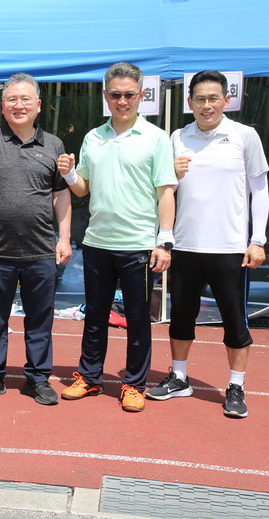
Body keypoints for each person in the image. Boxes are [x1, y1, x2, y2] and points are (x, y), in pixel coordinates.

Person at [145, 70, 269, 418]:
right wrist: (165, 237)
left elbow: (260, 191)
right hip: (185, 246)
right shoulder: (178, 137)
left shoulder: (245, 136)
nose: (207, 105)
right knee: (181, 317)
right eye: (200, 99)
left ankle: (236, 386)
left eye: (214, 98)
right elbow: (165, 188)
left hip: (230, 248)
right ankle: (179, 377)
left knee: (234, 321)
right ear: (189, 103)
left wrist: (257, 240)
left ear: (226, 100)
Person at [56, 62, 177, 413]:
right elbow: (82, 189)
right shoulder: (93, 137)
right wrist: (68, 174)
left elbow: (165, 192)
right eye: (115, 94)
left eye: (129, 94)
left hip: (139, 245)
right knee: (95, 314)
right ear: (105, 96)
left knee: (138, 318)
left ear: (141, 96)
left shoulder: (156, 138)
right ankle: (90, 377)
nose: (122, 101)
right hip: (97, 243)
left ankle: (135, 384)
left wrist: (164, 240)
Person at [0, 73, 72, 406]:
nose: (19, 105)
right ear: (2, 105)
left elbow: (61, 195)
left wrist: (64, 238)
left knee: (40, 320)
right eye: (12, 100)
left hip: (40, 250)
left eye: (26, 99)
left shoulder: (54, 144)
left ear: (38, 105)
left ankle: (38, 378)